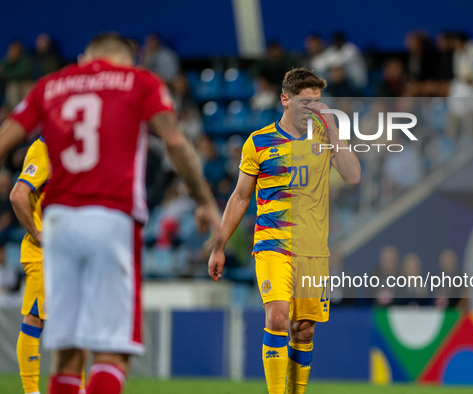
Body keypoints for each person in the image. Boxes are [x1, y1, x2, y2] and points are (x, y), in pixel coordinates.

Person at [0, 33, 220, 394]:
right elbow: (175, 140)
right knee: (112, 353)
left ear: (86, 57)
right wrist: (205, 200)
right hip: (111, 217)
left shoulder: (51, 86)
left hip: (59, 224)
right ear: (128, 59)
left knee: (67, 352)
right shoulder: (139, 81)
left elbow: (7, 137)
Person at [208, 68, 360, 393]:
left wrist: (333, 130)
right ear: (285, 100)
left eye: (317, 102)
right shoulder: (259, 142)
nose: (313, 109)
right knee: (277, 317)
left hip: (313, 251)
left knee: (304, 330)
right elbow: (239, 197)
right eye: (306, 102)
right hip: (272, 246)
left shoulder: (323, 136)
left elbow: (353, 175)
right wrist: (219, 245)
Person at [10, 137, 87, 394]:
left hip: (70, 252)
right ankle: (31, 391)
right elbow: (18, 195)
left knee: (76, 322)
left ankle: (80, 388)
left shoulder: (77, 151)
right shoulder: (43, 149)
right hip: (44, 254)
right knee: (34, 319)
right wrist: (38, 234)